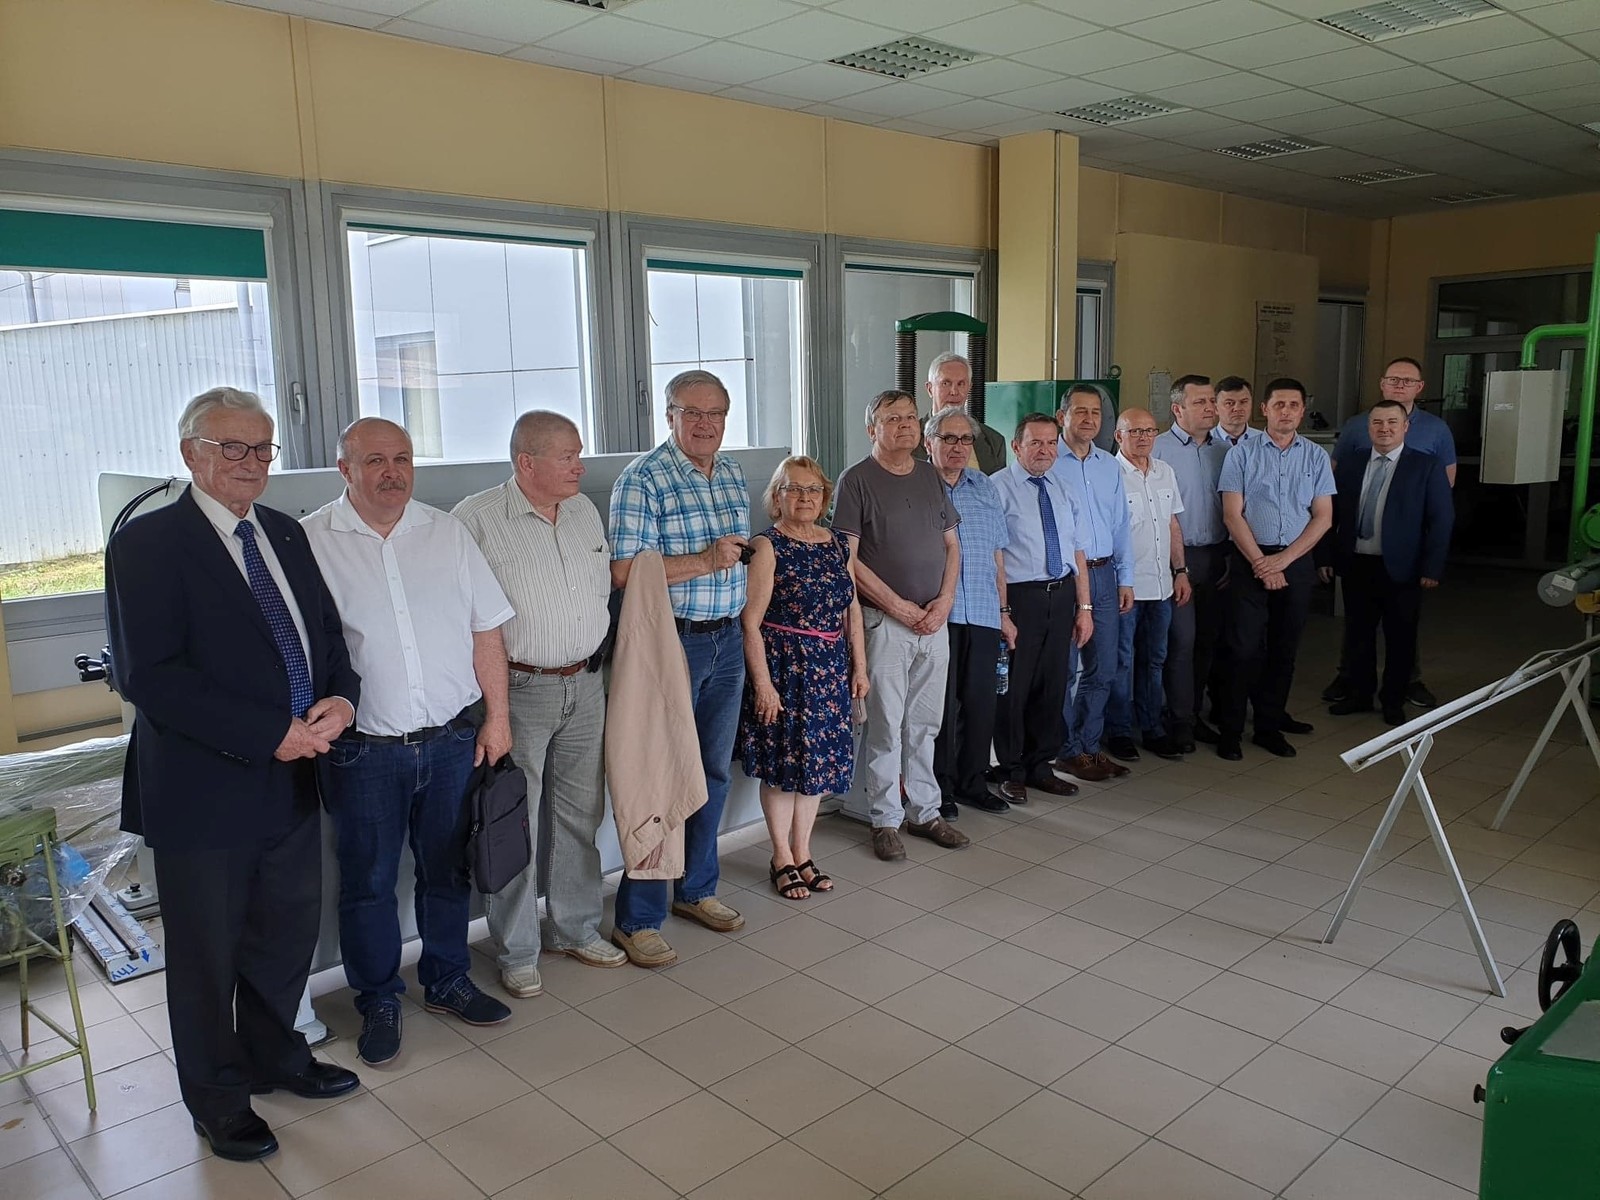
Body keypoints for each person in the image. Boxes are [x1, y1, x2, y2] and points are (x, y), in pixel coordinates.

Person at [106, 387, 360, 1163]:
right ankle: (217, 1099)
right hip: (204, 790)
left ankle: (277, 1056)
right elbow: (150, 676)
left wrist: (342, 697)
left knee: (283, 937)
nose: (252, 463)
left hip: (295, 778)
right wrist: (266, 733)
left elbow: (323, 635)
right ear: (192, 453)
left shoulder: (282, 531)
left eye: (262, 447)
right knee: (207, 957)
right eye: (232, 447)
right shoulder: (149, 544)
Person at [304, 418, 515, 1063]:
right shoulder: (310, 541)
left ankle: (448, 979)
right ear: (345, 469)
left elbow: (486, 630)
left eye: (402, 458)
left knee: (446, 871)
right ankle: (378, 998)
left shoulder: (446, 532)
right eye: (374, 460)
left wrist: (498, 717)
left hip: (450, 740)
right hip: (362, 750)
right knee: (368, 881)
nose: (392, 472)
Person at [453, 411, 629, 998]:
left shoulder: (583, 511)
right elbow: (463, 621)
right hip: (517, 690)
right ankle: (518, 949)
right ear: (526, 462)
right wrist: (493, 711)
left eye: (579, 454)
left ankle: (574, 928)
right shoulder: (476, 520)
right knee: (513, 822)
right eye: (567, 457)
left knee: (581, 815)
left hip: (586, 683)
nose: (580, 467)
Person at [607, 370, 748, 967]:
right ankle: (638, 918)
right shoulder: (642, 479)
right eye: (692, 413)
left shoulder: (733, 473)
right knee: (659, 776)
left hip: (728, 641)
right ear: (669, 416)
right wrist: (706, 560)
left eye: (715, 413)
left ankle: (696, 889)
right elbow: (623, 572)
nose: (705, 424)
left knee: (712, 773)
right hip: (672, 646)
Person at [833, 389, 971, 861]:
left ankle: (925, 812)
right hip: (885, 623)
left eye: (911, 417)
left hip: (934, 621)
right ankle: (885, 820)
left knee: (926, 724)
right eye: (893, 419)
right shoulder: (855, 481)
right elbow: (848, 561)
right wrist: (898, 607)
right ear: (872, 430)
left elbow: (952, 545)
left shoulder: (930, 475)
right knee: (886, 726)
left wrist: (944, 601)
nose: (906, 425)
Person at [738, 457, 867, 899]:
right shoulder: (767, 546)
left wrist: (859, 667)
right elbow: (750, 622)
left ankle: (803, 852)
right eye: (793, 489)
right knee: (783, 768)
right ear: (777, 497)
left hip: (829, 668)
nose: (804, 497)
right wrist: (763, 684)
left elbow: (852, 609)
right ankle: (780, 856)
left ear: (825, 497)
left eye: (813, 490)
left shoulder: (838, 544)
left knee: (817, 766)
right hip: (785, 669)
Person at [1324, 356, 1457, 710]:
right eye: (1377, 423)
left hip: (1404, 565)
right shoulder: (1352, 463)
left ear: (1405, 427)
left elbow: (1441, 517)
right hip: (1357, 562)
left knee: (1401, 636)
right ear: (1368, 427)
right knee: (1358, 633)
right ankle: (1359, 695)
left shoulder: (1425, 464)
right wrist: (1327, 555)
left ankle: (1394, 700)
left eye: (1392, 423)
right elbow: (1331, 511)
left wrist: (1432, 566)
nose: (1384, 429)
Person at [1216, 377, 1335, 761]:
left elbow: (1323, 517)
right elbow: (1232, 515)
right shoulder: (1241, 455)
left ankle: (1268, 727)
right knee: (1243, 648)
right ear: (1264, 409)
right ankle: (1231, 729)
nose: (1286, 412)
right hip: (1250, 559)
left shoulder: (1315, 457)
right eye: (1278, 405)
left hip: (1295, 562)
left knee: (1284, 649)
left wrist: (1283, 561)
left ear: (1302, 411)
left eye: (1293, 405)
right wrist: (1262, 564)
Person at [991, 414, 1093, 803]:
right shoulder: (998, 488)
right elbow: (996, 556)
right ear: (1017, 446)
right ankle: (1010, 769)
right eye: (1035, 442)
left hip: (1061, 594)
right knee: (1014, 688)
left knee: (1053, 685)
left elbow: (1078, 552)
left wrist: (1084, 607)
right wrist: (1003, 611)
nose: (1044, 450)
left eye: (1051, 443)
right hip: (1021, 598)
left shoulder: (1063, 488)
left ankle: (1040, 766)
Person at [926, 406, 1015, 816]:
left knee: (981, 703)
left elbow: (997, 555)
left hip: (982, 610)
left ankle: (973, 782)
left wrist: (1004, 612)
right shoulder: (918, 487)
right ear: (929, 443)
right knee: (941, 707)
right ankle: (940, 788)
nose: (958, 447)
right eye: (949, 438)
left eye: (965, 439)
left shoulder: (984, 486)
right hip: (938, 613)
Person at [1050, 385, 1134, 781]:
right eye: (1080, 411)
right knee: (1065, 669)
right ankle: (1065, 749)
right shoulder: (1049, 461)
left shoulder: (1108, 465)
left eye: (1095, 412)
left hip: (1104, 573)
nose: (1088, 419)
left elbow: (1121, 525)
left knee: (1104, 668)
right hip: (1065, 577)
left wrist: (1125, 578)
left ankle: (1089, 745)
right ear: (1061, 416)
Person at [1106, 408, 1190, 760]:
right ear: (1118, 436)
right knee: (1122, 661)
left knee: (1155, 659)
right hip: (1125, 587)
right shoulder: (1108, 474)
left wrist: (1181, 570)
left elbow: (1172, 525)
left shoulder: (1164, 471)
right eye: (1135, 431)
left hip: (1161, 586)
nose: (1143, 437)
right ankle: (1119, 731)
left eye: (1149, 431)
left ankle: (1152, 727)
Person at [1152, 374, 1229, 751]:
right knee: (1180, 641)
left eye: (1212, 401)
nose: (1210, 408)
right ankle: (1177, 719)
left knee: (1207, 641)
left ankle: (1194, 713)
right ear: (1177, 409)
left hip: (1216, 556)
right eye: (1200, 402)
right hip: (1174, 560)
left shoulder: (1224, 451)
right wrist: (1176, 565)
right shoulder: (1158, 449)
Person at [912, 352, 1006, 474]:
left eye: (961, 384)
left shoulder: (994, 441)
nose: (954, 392)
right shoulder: (910, 439)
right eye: (946, 383)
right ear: (930, 389)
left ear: (969, 388)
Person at [1214, 376, 1256, 447]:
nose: (1237, 408)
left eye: (1243, 402)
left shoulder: (1264, 441)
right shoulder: (1201, 443)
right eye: (1229, 403)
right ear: (1216, 408)